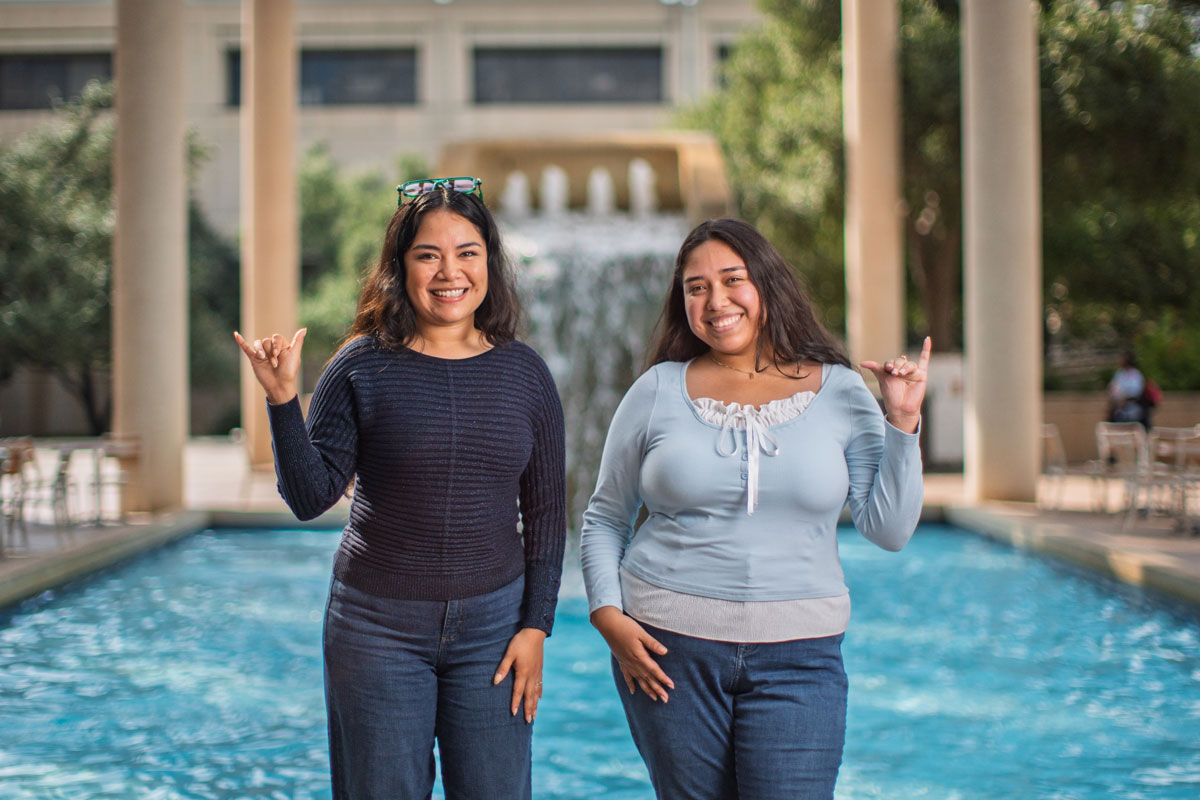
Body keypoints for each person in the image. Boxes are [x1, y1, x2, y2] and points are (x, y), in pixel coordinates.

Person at [234, 177, 566, 800]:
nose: (450, 272)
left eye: (467, 252)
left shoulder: (527, 375)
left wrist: (534, 628)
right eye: (428, 254)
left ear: (488, 262)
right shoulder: (359, 364)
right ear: (400, 266)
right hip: (375, 628)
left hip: (495, 632)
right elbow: (310, 498)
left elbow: (547, 515)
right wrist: (283, 401)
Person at [579, 218, 927, 800]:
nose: (715, 301)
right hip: (666, 650)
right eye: (696, 287)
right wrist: (607, 616)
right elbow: (606, 517)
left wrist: (903, 421)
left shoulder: (840, 391)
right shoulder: (658, 389)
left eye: (732, 279)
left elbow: (888, 529)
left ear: (765, 284)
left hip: (802, 658)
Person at [1107, 350, 1149, 427]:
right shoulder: (1119, 373)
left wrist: (1124, 398)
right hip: (1119, 412)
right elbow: (1113, 389)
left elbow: (1136, 392)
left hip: (1134, 412)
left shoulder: (1135, 374)